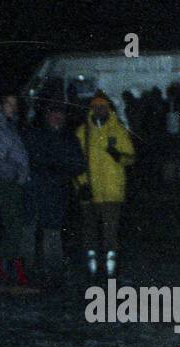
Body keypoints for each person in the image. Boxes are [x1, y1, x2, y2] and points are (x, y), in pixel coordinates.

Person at [75, 92, 135, 277]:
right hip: (89, 191)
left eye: (103, 106)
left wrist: (120, 156)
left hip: (112, 191)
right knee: (89, 232)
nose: (99, 110)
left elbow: (131, 157)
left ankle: (110, 271)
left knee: (110, 233)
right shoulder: (81, 132)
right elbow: (75, 162)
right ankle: (91, 269)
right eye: (96, 107)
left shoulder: (118, 130)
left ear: (108, 108)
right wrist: (80, 185)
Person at [24, 105, 84, 286]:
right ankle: (26, 271)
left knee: (53, 233)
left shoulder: (69, 138)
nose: (57, 118)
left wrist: (60, 171)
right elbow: (27, 159)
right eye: (53, 113)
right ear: (47, 115)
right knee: (28, 231)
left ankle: (54, 272)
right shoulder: (36, 134)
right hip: (34, 190)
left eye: (60, 115)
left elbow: (79, 164)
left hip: (57, 192)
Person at [0, 92, 35, 289]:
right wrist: (11, 172)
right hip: (4, 181)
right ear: (1, 105)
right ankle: (4, 272)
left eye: (15, 104)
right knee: (12, 225)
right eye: (9, 104)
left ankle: (12, 272)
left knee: (15, 225)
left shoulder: (10, 125)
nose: (13, 107)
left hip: (15, 182)